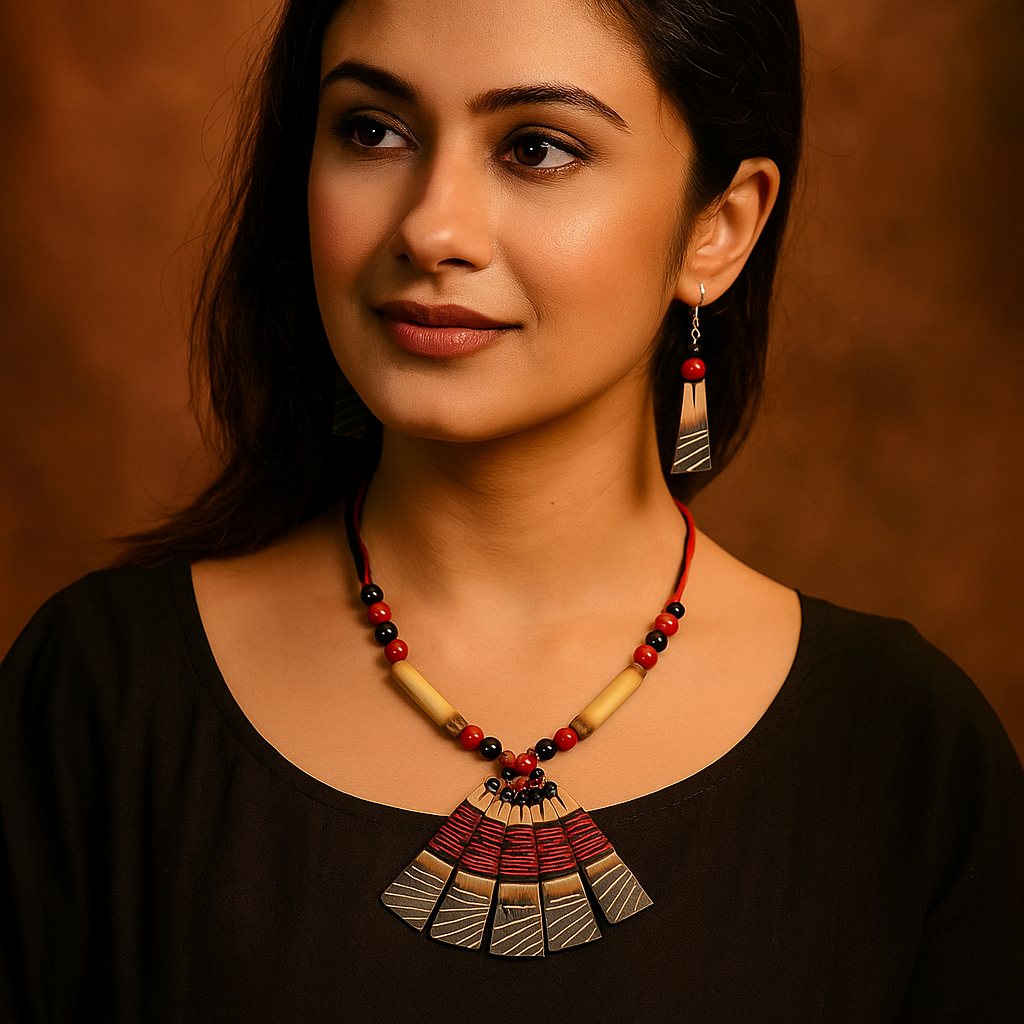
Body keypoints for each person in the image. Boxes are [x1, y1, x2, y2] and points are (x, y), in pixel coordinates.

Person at [1, 0, 1022, 1020]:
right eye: (372, 131)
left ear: (718, 228)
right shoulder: (100, 700)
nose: (430, 228)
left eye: (536, 147)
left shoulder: (904, 753)